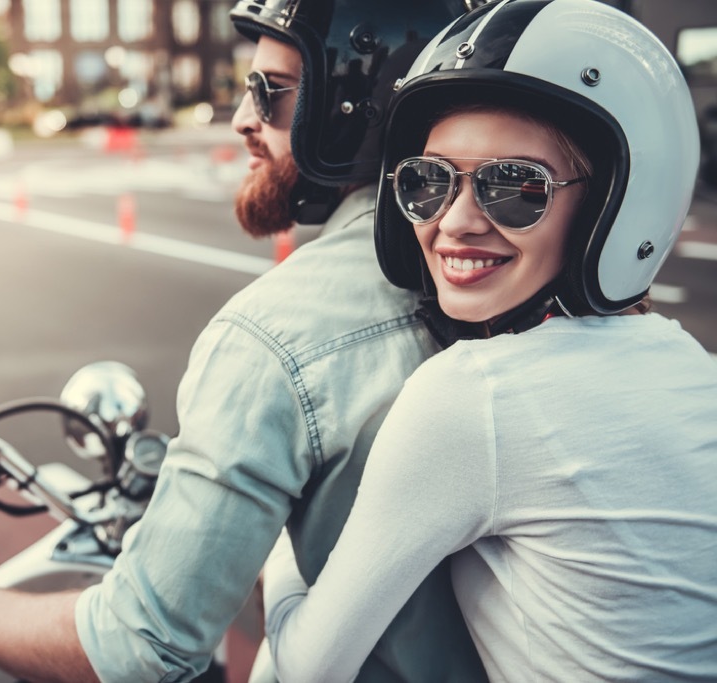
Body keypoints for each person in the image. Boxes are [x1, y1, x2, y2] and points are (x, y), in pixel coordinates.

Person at [0, 1, 490, 681]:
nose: (243, 118)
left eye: (270, 93)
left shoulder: (276, 336)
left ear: (353, 105)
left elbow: (141, 648)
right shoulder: (507, 273)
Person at [261, 1, 717, 681]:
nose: (456, 221)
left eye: (515, 187)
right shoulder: (689, 364)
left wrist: (278, 541)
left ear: (612, 205)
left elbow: (306, 666)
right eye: (426, 180)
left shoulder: (475, 395)